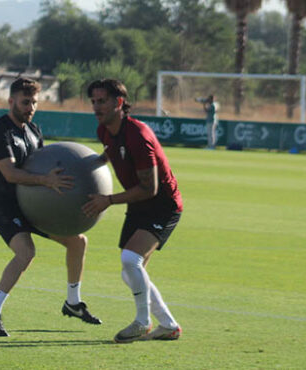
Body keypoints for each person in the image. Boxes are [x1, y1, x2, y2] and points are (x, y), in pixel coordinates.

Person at [0, 78, 102, 337]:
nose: (30, 107)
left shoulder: (34, 130)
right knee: (26, 252)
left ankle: (73, 303)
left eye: (34, 102)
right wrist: (46, 180)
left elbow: (45, 165)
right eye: (25, 102)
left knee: (78, 242)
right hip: (2, 206)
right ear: (11, 101)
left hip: (32, 206)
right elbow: (10, 174)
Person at [82, 79, 183, 343]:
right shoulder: (104, 130)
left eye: (101, 101)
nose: (96, 106)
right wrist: (88, 164)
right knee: (130, 273)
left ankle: (142, 322)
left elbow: (149, 189)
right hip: (139, 205)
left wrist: (108, 200)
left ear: (118, 103)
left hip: (162, 205)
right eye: (93, 101)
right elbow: (109, 151)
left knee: (130, 260)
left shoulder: (138, 136)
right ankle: (169, 325)